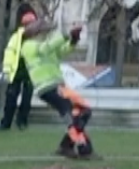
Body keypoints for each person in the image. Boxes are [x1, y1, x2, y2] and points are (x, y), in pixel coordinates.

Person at [22, 19, 92, 158]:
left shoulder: (43, 44)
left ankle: (68, 146)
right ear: (37, 32)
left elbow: (62, 50)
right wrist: (66, 34)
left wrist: (73, 40)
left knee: (81, 111)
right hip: (46, 86)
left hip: (56, 85)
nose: (48, 34)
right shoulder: (28, 46)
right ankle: (83, 149)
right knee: (74, 114)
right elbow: (46, 48)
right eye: (45, 32)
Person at [0, 12, 36, 132]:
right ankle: (6, 123)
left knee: (27, 100)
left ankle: (22, 122)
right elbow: (9, 54)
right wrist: (6, 71)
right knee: (11, 99)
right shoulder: (16, 37)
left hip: (30, 72)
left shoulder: (37, 38)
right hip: (16, 71)